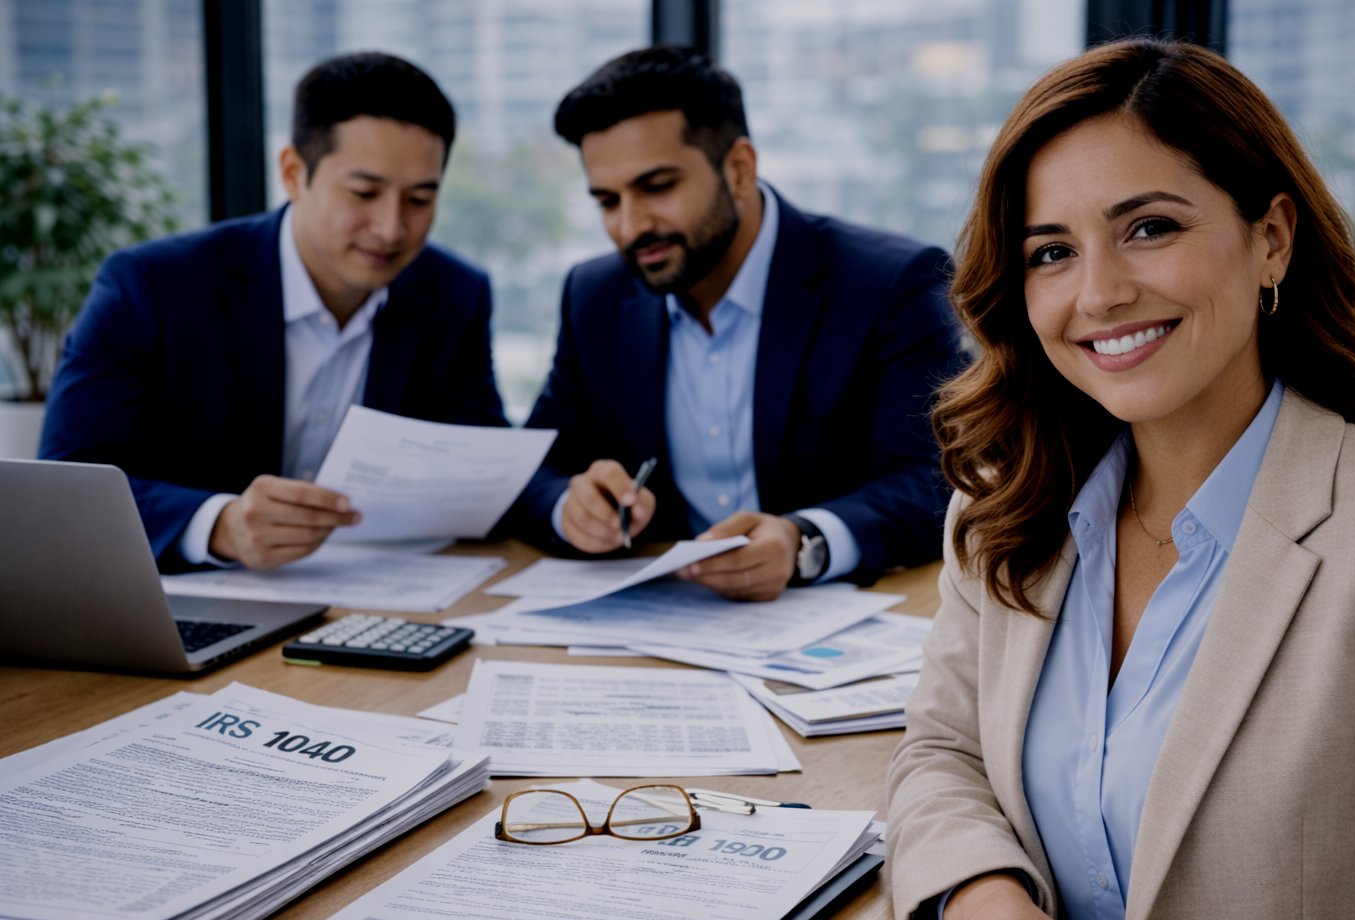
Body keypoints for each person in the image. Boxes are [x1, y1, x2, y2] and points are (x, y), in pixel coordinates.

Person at [886, 39, 1355, 920]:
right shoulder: (1005, 510)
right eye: (1051, 251)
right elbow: (941, 750)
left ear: (1271, 238)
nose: (1098, 292)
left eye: (1147, 227)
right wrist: (981, 900)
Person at [504, 46, 963, 600]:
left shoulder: (890, 283)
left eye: (657, 187)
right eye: (607, 200)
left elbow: (935, 480)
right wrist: (569, 507)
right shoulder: (595, 296)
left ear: (740, 168)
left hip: (833, 625)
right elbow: (531, 468)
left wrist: (803, 540)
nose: (629, 226)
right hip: (658, 627)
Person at [40, 52, 507, 572]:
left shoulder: (455, 295)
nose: (392, 228)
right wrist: (219, 525)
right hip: (189, 603)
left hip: (382, 601)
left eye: (420, 199)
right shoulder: (154, 285)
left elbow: (482, 461)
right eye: (364, 193)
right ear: (293, 173)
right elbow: (68, 483)